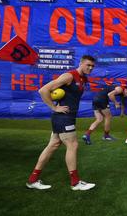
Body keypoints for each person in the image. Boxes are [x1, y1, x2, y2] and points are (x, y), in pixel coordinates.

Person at [26, 55, 96, 191]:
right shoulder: (69, 76)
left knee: (53, 145)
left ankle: (33, 180)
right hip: (63, 117)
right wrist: (54, 107)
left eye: (92, 66)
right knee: (73, 145)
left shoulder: (83, 79)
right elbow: (43, 90)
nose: (90, 68)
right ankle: (75, 183)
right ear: (81, 63)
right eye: (88, 65)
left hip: (67, 117)